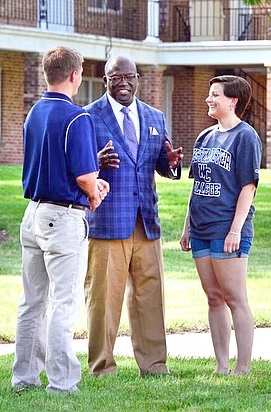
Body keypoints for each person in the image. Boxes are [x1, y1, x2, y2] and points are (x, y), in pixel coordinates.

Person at [12, 46, 110, 394]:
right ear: (73, 75)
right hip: (62, 218)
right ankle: (63, 382)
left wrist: (88, 183)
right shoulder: (76, 117)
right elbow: (85, 176)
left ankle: (24, 377)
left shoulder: (34, 113)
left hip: (33, 213)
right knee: (63, 303)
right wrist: (96, 193)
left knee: (32, 302)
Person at [84, 56, 183, 377]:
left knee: (150, 297)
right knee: (103, 299)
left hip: (146, 222)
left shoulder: (155, 116)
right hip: (108, 221)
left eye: (129, 77)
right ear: (105, 81)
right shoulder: (88, 117)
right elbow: (77, 167)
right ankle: (102, 367)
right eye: (116, 77)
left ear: (138, 79)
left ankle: (154, 366)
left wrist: (170, 163)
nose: (123, 83)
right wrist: (94, 161)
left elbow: (160, 165)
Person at [179, 75, 262, 375]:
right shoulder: (204, 137)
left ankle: (243, 368)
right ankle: (221, 366)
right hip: (201, 228)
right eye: (209, 94)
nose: (209, 100)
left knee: (234, 297)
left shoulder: (245, 137)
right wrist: (187, 225)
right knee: (213, 297)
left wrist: (236, 230)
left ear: (233, 100)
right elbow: (197, 185)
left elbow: (247, 187)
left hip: (227, 228)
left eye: (215, 94)